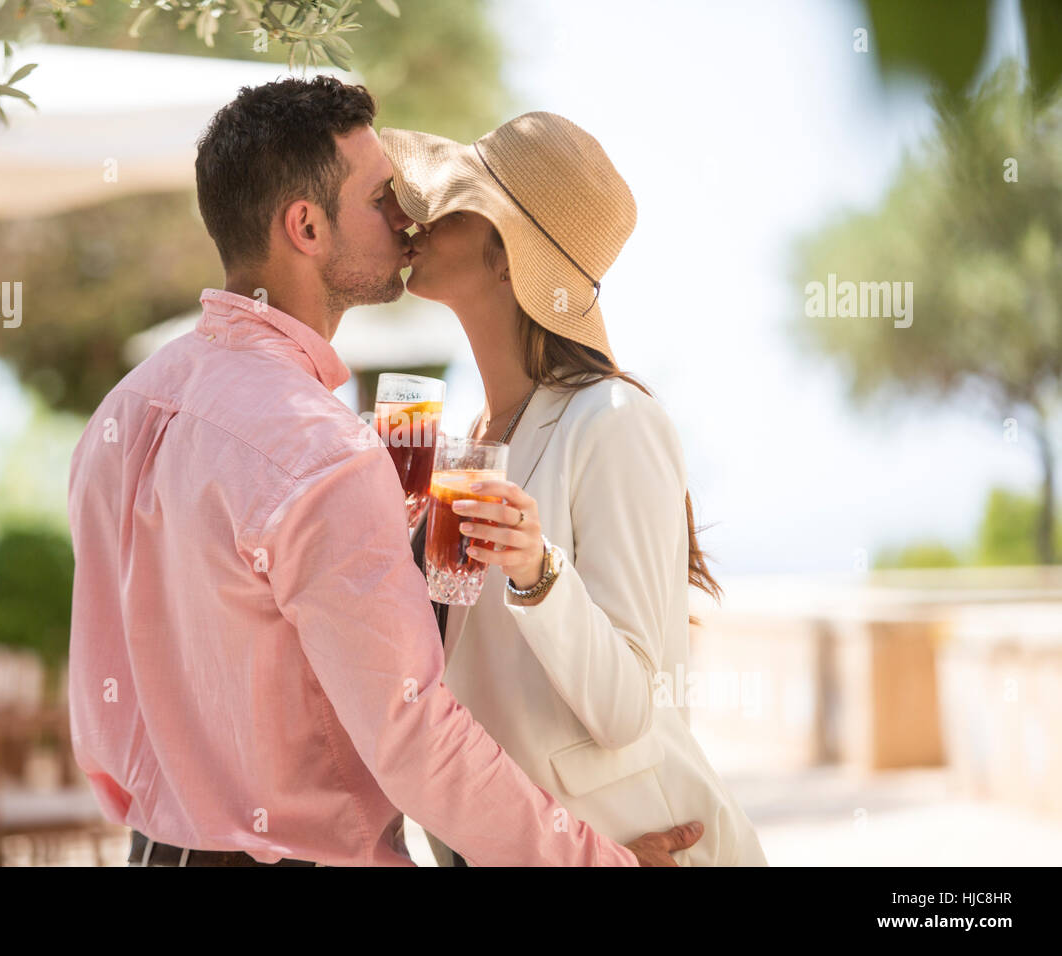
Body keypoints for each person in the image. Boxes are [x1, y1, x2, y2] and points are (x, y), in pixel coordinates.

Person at [66, 76, 702, 866]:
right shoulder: (322, 452)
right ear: (305, 225)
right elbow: (411, 732)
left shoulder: (119, 419)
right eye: (381, 198)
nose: (408, 213)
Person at [383, 111, 768, 866]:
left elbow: (631, 708)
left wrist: (538, 570)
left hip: (631, 845)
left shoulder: (614, 420)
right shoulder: (476, 434)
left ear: (506, 257)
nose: (420, 216)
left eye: (453, 202)